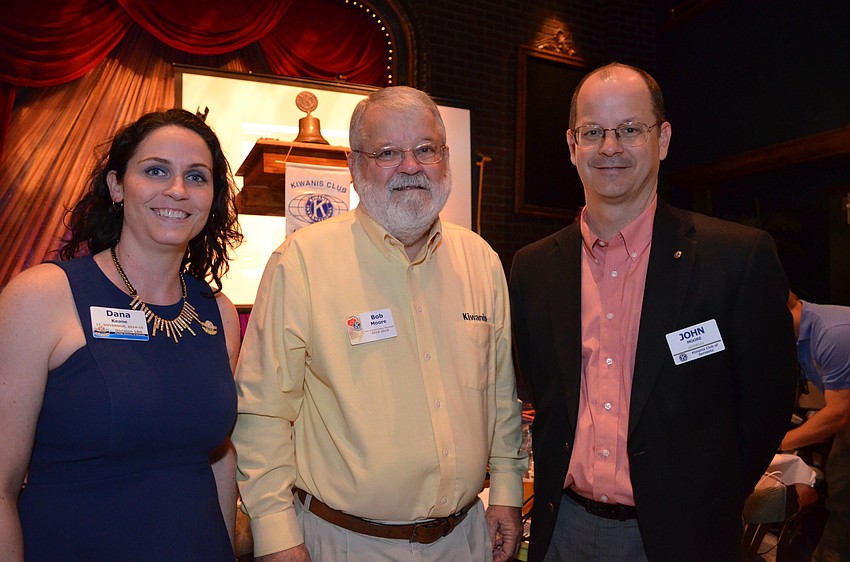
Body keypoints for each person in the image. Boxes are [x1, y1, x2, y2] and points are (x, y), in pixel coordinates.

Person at [509, 62, 799, 562]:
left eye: (629, 130)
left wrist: (707, 501)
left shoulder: (736, 258)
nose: (610, 147)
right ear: (572, 145)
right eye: (593, 131)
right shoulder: (533, 267)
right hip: (563, 532)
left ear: (662, 139)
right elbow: (537, 389)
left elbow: (768, 403)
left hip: (684, 539)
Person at [232, 86, 526, 562]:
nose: (411, 166)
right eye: (387, 152)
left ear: (446, 159)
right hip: (343, 544)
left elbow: (499, 394)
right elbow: (263, 413)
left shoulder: (481, 261)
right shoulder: (302, 263)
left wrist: (508, 490)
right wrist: (276, 535)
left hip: (466, 540)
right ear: (354, 167)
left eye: (426, 149)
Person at [0, 108, 243, 561]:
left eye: (197, 177)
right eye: (156, 171)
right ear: (116, 186)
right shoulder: (41, 296)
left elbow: (219, 459)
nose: (177, 190)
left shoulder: (219, 313)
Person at [781, 292, 850, 561]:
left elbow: (839, 414)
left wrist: (779, 444)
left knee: (843, 493)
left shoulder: (832, 333)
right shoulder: (800, 336)